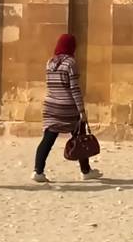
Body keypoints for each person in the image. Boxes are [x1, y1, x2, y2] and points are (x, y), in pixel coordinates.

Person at [35, 33, 102, 184]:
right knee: (80, 137)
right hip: (68, 107)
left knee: (47, 139)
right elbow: (74, 89)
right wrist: (82, 111)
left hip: (51, 106)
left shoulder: (50, 62)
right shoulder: (70, 63)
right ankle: (86, 171)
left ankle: (38, 171)